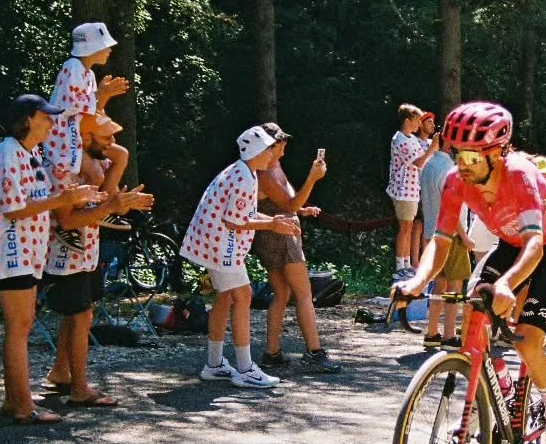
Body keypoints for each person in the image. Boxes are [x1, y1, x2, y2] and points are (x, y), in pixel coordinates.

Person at [398, 102, 546, 444]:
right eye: (458, 154)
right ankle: (490, 391)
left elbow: (536, 246)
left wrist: (508, 285)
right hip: (509, 247)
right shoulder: (455, 181)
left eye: (474, 158)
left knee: (527, 339)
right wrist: (417, 280)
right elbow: (440, 241)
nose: (463, 165)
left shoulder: (521, 175)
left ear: (498, 152)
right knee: (474, 318)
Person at [0, 95, 101, 424]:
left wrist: (77, 197)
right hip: (10, 251)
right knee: (19, 328)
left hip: (26, 253)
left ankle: (13, 400)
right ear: (29, 118)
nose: (51, 123)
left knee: (22, 326)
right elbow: (13, 207)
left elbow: (39, 198)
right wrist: (62, 198)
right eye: (46, 118)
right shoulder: (7, 153)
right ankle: (22, 406)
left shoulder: (29, 153)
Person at [40, 116, 154, 407]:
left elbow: (107, 202)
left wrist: (123, 195)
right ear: (85, 136)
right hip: (67, 252)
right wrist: (112, 205)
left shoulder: (95, 160)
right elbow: (66, 220)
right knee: (80, 316)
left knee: (82, 313)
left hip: (87, 251)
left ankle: (60, 372)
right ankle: (80, 388)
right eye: (105, 139)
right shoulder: (66, 164)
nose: (111, 145)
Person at [182, 127, 302, 388]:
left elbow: (241, 214)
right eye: (271, 148)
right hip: (220, 244)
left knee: (225, 296)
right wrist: (272, 225)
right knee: (243, 294)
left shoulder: (243, 171)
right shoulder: (245, 177)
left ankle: (214, 364)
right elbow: (234, 221)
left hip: (213, 241)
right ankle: (245, 369)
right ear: (259, 151)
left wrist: (272, 220)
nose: (275, 152)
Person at [251, 123, 339, 372]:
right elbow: (287, 205)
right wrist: (312, 179)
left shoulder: (274, 165)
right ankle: (314, 351)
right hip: (280, 235)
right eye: (280, 141)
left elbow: (289, 201)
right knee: (303, 293)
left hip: (274, 232)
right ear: (270, 145)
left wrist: (302, 209)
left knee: (282, 294)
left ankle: (272, 352)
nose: (284, 145)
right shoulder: (265, 171)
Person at [43, 22, 130, 223]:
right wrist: (102, 93)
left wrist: (106, 132)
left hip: (83, 136)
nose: (109, 50)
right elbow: (73, 104)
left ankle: (104, 208)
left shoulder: (88, 73)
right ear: (92, 48)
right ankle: (80, 213)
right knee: (97, 176)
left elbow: (94, 111)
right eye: (105, 45)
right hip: (66, 138)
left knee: (121, 155)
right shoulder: (72, 67)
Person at [418, 133, 468, 349]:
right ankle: (449, 335)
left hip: (432, 232)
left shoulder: (429, 165)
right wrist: (465, 236)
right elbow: (452, 207)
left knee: (439, 284)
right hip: (451, 235)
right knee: (455, 285)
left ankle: (432, 332)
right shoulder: (449, 170)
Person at [386, 104, 438, 279]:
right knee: (404, 227)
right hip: (402, 191)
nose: (419, 124)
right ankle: (400, 265)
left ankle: (407, 263)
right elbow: (419, 163)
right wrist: (434, 147)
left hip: (412, 190)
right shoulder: (399, 140)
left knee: (408, 227)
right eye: (416, 120)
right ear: (407, 120)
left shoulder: (412, 139)